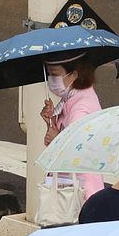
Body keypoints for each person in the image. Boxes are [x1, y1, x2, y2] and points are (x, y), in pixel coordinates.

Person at [41, 52, 105, 200]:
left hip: (80, 192)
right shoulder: (73, 98)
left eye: (55, 74)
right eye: (49, 74)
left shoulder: (80, 107)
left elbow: (77, 147)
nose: (51, 79)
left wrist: (56, 138)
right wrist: (51, 120)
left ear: (74, 74)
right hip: (74, 188)